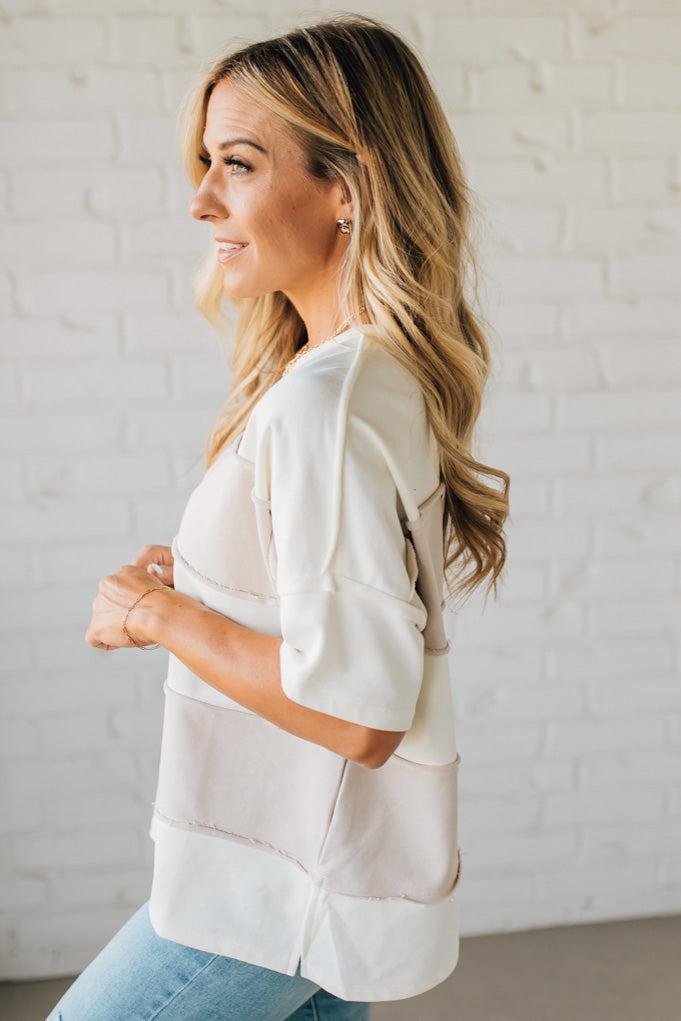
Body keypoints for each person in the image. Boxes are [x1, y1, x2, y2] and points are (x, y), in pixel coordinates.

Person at [49, 13, 509, 1020]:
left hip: (283, 881)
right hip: (319, 869)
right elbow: (346, 607)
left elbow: (358, 712)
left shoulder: (323, 404)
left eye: (240, 164)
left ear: (347, 187)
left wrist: (157, 616)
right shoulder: (366, 374)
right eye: (208, 161)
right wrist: (214, 577)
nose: (201, 196)